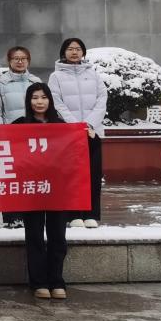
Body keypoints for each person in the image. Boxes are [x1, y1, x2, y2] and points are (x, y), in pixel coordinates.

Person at [13, 82, 69, 300]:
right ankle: (38, 282)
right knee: (34, 236)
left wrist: (89, 135)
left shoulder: (61, 125)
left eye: (43, 97)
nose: (39, 102)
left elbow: (77, 152)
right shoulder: (19, 125)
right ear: (28, 101)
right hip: (31, 189)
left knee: (58, 236)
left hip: (57, 189)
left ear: (50, 100)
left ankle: (57, 280)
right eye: (34, 97)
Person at [48, 37, 107, 229]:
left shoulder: (93, 74)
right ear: (63, 52)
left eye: (78, 49)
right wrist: (75, 126)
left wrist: (89, 124)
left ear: (83, 52)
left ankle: (91, 214)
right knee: (72, 175)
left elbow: (102, 99)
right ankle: (73, 215)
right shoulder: (56, 76)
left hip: (92, 132)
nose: (74, 52)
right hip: (69, 134)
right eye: (70, 48)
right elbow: (56, 102)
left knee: (93, 175)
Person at [0, 46, 40, 228]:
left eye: (23, 58)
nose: (20, 61)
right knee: (11, 177)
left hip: (32, 137)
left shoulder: (36, 82)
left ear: (28, 61)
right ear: (9, 61)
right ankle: (11, 216)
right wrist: (0, 136)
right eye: (16, 58)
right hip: (10, 137)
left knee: (32, 176)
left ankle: (32, 215)